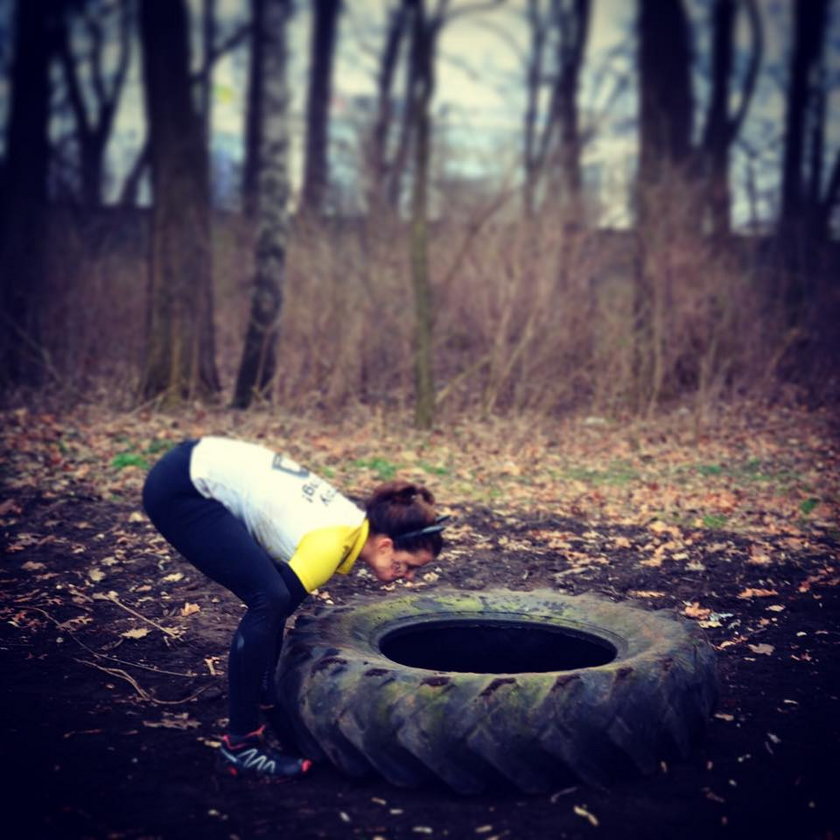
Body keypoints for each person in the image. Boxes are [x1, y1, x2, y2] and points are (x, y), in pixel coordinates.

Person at [142, 436, 445, 780]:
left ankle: (266, 697)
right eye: (408, 565)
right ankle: (239, 746)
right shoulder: (331, 543)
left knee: (271, 598)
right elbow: (271, 610)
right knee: (268, 599)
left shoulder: (348, 524)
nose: (406, 577)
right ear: (387, 545)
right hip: (183, 487)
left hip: (191, 464)